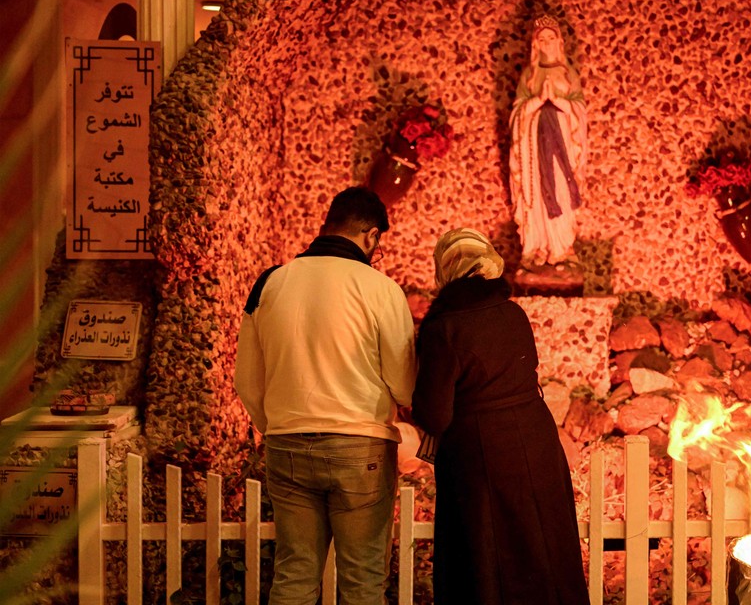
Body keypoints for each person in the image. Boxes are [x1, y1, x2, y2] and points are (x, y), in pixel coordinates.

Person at [234, 186, 416, 605]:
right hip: (361, 447)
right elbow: (404, 384)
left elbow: (247, 380)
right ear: (372, 236)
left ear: (327, 224)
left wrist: (277, 424)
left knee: (294, 576)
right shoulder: (381, 289)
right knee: (363, 582)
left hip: (286, 444)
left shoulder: (271, 284)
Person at [411, 228, 590, 605]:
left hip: (480, 453)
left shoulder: (443, 328)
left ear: (445, 269)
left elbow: (436, 415)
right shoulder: (513, 313)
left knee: (487, 560)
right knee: (544, 549)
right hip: (536, 438)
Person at [509, 14, 588, 269]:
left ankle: (562, 247)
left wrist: (559, 103)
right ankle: (537, 245)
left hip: (562, 149)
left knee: (562, 191)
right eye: (541, 39)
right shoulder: (529, 76)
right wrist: (537, 102)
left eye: (550, 38)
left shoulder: (567, 74)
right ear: (536, 44)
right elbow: (517, 111)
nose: (545, 43)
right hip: (534, 149)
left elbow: (580, 109)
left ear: (558, 41)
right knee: (536, 196)